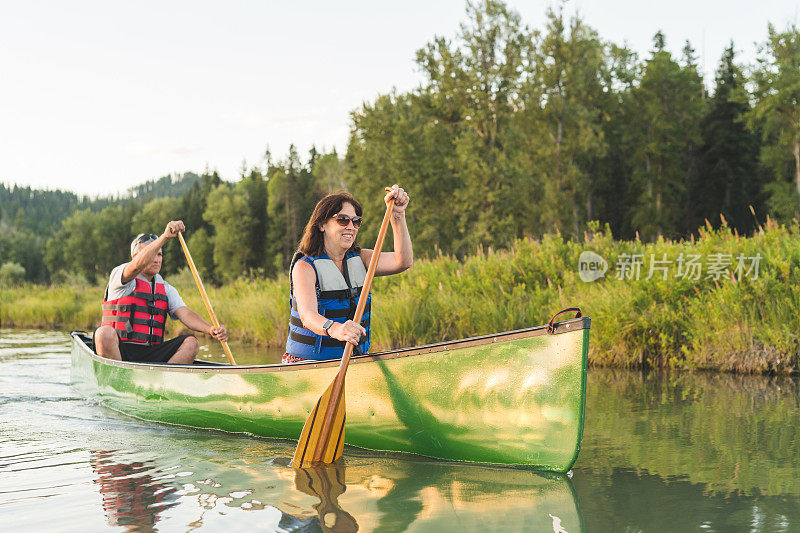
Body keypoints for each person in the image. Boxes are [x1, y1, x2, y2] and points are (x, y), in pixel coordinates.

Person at [284, 185, 412, 363]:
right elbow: (307, 316)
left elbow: (402, 261)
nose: (351, 227)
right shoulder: (305, 267)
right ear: (322, 224)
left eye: (356, 221)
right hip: (308, 364)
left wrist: (397, 215)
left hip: (354, 361)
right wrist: (336, 329)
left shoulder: (361, 258)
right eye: (343, 220)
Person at [94, 220, 227, 364]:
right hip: (121, 350)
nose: (156, 260)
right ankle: (117, 380)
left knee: (191, 343)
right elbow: (137, 266)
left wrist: (211, 329)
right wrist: (165, 237)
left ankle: (163, 382)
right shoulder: (120, 275)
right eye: (151, 253)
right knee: (103, 333)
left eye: (159, 254)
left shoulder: (166, 288)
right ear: (134, 256)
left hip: (151, 353)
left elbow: (185, 314)